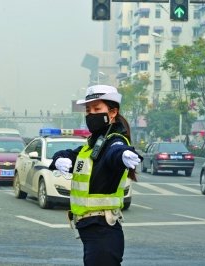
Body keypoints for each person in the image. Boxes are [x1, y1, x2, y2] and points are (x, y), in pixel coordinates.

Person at [49, 84, 143, 266]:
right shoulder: (93, 143)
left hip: (103, 231)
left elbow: (114, 151)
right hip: (91, 230)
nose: (91, 114)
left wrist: (122, 155)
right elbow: (73, 154)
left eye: (97, 109)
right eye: (88, 110)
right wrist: (59, 158)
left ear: (113, 112)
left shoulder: (114, 140)